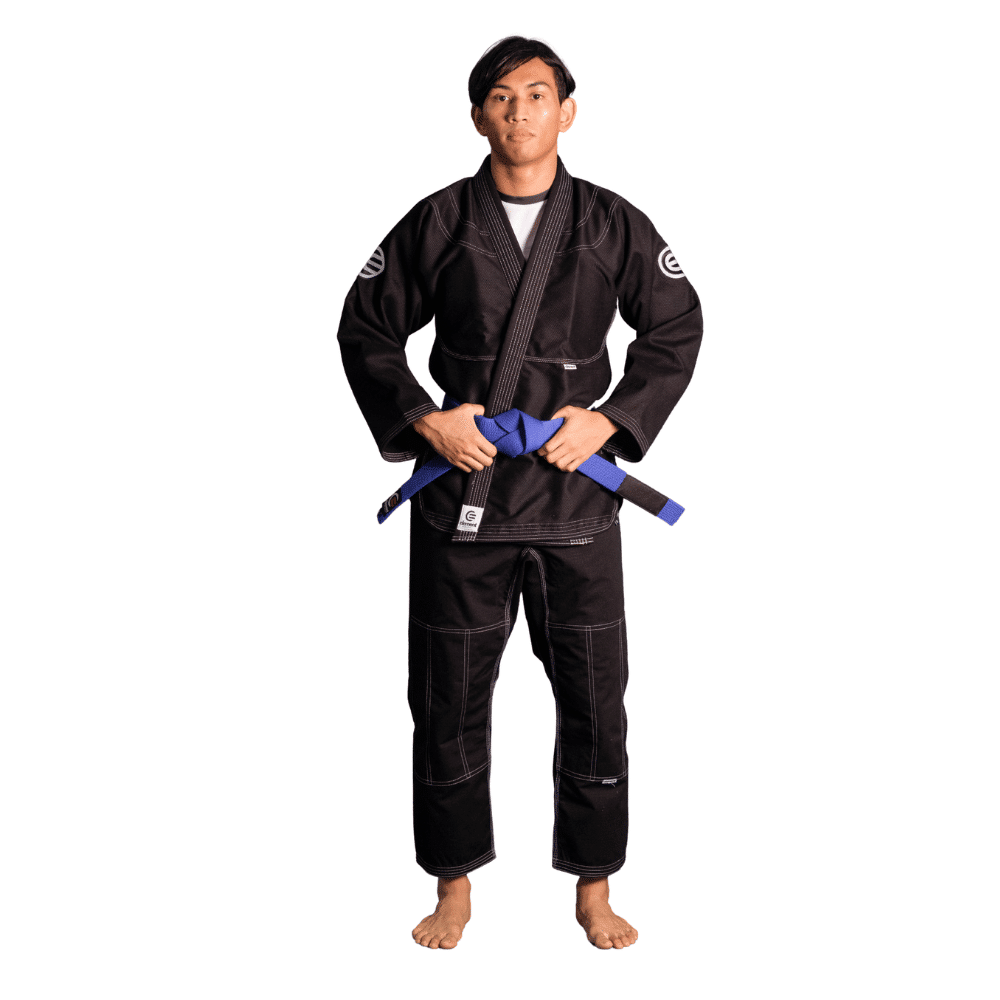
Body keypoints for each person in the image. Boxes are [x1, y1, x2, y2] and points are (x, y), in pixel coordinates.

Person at [337, 36, 703, 950]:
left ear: (566, 112)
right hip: (465, 500)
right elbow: (365, 327)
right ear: (477, 116)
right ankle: (453, 883)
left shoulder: (611, 223)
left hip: (575, 502)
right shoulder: (439, 220)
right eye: (501, 97)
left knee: (595, 698)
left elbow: (675, 327)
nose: (520, 112)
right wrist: (425, 420)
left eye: (538, 95)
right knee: (447, 698)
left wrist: (611, 422)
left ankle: (594, 885)